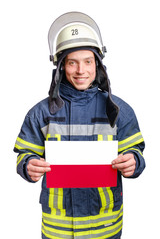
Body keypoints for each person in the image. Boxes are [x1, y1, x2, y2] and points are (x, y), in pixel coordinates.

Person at [14, 12, 145, 239]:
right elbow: (25, 154)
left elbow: (137, 153)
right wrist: (28, 165)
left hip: (105, 228)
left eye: (88, 61)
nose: (81, 70)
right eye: (72, 62)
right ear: (61, 66)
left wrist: (134, 161)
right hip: (58, 230)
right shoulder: (40, 113)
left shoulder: (119, 111)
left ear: (98, 64)